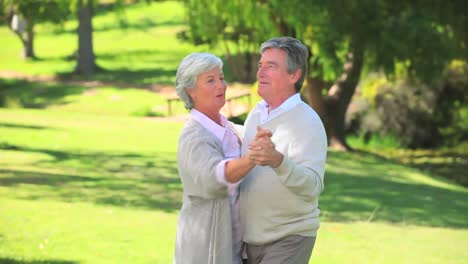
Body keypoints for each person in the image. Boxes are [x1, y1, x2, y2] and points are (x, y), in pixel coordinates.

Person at [173, 52, 271, 264]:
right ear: (191, 90)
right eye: (211, 80)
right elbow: (213, 178)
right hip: (205, 251)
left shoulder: (232, 130)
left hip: (236, 249)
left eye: (221, 77)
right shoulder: (194, 136)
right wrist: (251, 158)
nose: (221, 85)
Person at [239, 37, 328, 264]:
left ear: (294, 75)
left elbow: (313, 186)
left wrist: (278, 161)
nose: (260, 72)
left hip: (289, 238)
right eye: (261, 65)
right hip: (250, 240)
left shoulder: (308, 121)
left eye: (271, 66)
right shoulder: (256, 115)